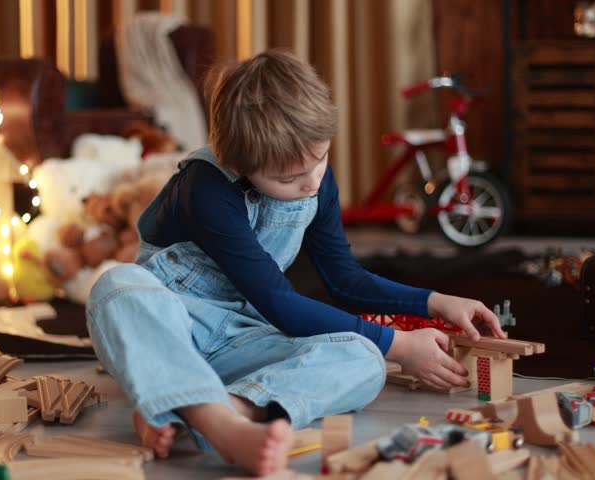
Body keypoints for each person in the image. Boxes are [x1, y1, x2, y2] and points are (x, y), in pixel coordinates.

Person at [86, 50, 506, 477]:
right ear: (239, 163)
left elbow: (344, 278)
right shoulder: (206, 187)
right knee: (116, 286)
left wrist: (433, 302)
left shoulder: (312, 174)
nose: (311, 182)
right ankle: (223, 427)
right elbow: (279, 301)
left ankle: (212, 407)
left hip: (243, 336)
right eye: (287, 179)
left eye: (321, 159)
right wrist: (399, 344)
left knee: (363, 357)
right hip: (170, 326)